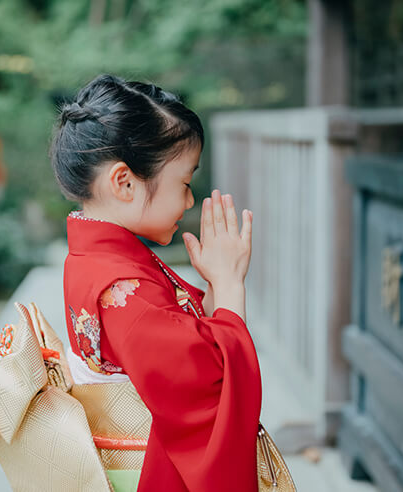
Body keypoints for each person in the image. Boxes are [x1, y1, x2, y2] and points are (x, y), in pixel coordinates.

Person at [50, 74, 261, 492]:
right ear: (124, 182)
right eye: (184, 182)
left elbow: (187, 351)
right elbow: (211, 389)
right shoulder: (121, 287)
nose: (188, 200)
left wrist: (213, 287)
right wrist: (230, 285)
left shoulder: (94, 259)